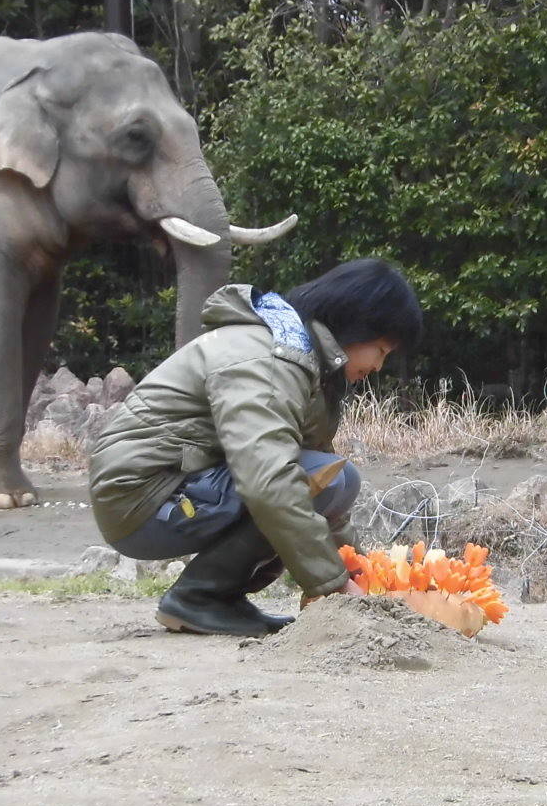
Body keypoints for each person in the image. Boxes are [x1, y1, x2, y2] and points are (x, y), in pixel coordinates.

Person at [88, 258, 421, 636]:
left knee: (334, 478)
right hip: (143, 499)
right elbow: (269, 481)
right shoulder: (267, 358)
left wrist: (357, 567)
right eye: (381, 350)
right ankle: (200, 598)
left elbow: (319, 476)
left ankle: (214, 597)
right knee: (317, 481)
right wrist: (334, 585)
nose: (378, 366)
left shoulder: (300, 357)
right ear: (356, 326)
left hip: (170, 487)